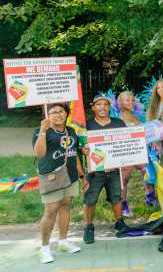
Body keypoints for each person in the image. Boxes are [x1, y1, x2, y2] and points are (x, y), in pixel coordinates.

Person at [34, 103, 85, 263]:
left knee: (65, 206)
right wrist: (43, 130)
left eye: (61, 111)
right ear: (48, 115)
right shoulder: (41, 131)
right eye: (53, 112)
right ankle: (44, 248)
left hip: (70, 175)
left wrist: (82, 175)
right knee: (50, 210)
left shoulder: (71, 131)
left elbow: (73, 153)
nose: (57, 114)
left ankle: (63, 241)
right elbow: (39, 153)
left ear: (66, 113)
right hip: (52, 176)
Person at [82, 94, 127, 244]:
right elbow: (80, 145)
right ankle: (88, 226)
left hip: (114, 169)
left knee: (116, 197)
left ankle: (119, 222)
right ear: (93, 107)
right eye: (99, 104)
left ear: (109, 107)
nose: (102, 107)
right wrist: (83, 149)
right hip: (95, 171)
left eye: (105, 104)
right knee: (90, 199)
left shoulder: (119, 123)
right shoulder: (86, 125)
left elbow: (127, 142)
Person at [115, 91, 148, 217]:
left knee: (148, 171)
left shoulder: (137, 115)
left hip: (138, 150)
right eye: (127, 100)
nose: (130, 102)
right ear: (120, 102)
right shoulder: (117, 116)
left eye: (132, 100)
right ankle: (123, 204)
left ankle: (150, 197)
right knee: (124, 179)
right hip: (125, 151)